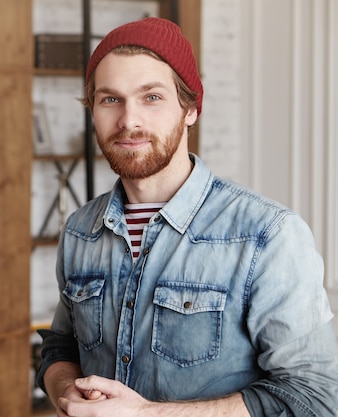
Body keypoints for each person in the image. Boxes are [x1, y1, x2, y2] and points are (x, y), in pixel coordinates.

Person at [36, 17, 338, 417]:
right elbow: (60, 346)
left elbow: (314, 396)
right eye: (110, 99)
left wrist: (145, 414)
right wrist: (65, 391)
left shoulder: (267, 235)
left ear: (191, 107)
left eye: (152, 97)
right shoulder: (80, 231)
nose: (129, 120)